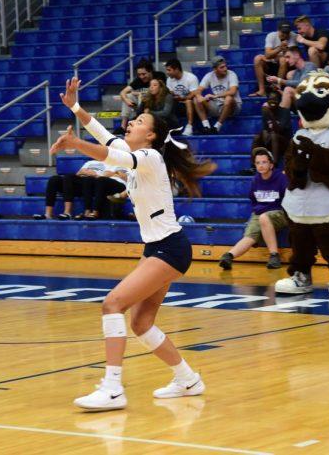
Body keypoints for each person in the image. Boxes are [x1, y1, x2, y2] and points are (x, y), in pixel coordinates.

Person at [51, 77, 215, 411]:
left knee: (112, 304)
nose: (130, 123)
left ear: (151, 135)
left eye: (139, 122)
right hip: (157, 247)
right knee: (140, 323)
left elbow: (107, 151)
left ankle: (113, 389)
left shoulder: (151, 157)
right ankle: (188, 379)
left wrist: (73, 144)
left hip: (170, 247)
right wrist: (75, 107)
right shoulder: (134, 152)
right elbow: (103, 135)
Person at [218, 148, 288, 271]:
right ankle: (229, 256)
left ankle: (274, 255)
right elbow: (254, 200)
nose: (261, 165)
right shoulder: (255, 180)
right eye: (258, 163)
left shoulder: (281, 178)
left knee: (264, 218)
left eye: (264, 162)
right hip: (260, 214)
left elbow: (289, 199)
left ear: (271, 164)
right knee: (250, 235)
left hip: (279, 213)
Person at [33, 160, 106, 220]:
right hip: (78, 183)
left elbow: (105, 178)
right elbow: (79, 173)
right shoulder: (90, 162)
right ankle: (48, 214)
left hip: (91, 186)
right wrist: (89, 173)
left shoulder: (109, 164)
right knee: (54, 179)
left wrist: (93, 174)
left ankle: (67, 212)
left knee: (69, 177)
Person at [193, 56, 240, 134]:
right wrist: (199, 96)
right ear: (215, 69)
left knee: (228, 98)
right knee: (196, 99)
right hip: (217, 105)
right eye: (222, 67)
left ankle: (216, 127)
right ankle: (206, 127)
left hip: (233, 107)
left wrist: (215, 96)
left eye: (225, 66)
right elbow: (198, 90)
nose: (225, 69)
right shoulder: (209, 75)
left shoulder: (232, 74)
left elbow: (233, 91)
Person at [118, 60, 164, 134]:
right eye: (139, 74)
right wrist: (127, 100)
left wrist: (138, 93)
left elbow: (161, 92)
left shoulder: (159, 76)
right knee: (128, 96)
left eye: (143, 74)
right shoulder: (138, 80)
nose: (141, 77)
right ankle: (123, 127)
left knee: (142, 95)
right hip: (142, 104)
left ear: (150, 71)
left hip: (156, 103)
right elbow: (122, 92)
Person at [252, 21, 294, 96]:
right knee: (257, 58)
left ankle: (277, 87)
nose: (285, 35)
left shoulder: (293, 36)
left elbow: (290, 56)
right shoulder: (271, 36)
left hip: (286, 65)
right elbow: (267, 54)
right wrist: (280, 48)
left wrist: (272, 56)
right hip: (271, 64)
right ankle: (262, 90)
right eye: (283, 32)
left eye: (287, 33)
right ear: (278, 30)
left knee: (283, 60)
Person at [252, 91, 292, 167]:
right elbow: (265, 128)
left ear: (279, 101)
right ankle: (253, 166)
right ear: (267, 101)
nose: (272, 101)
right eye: (270, 99)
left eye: (275, 99)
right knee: (257, 137)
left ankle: (274, 164)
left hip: (284, 143)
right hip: (271, 140)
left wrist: (270, 114)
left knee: (273, 135)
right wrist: (264, 134)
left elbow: (280, 130)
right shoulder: (266, 112)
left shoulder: (285, 112)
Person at [164, 59, 200, 136]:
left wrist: (182, 98)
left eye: (169, 70)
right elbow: (170, 93)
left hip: (193, 105)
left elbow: (194, 94)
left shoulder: (191, 78)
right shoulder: (169, 80)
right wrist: (173, 95)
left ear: (176, 69)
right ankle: (170, 128)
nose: (167, 72)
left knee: (188, 101)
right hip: (178, 104)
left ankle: (189, 127)